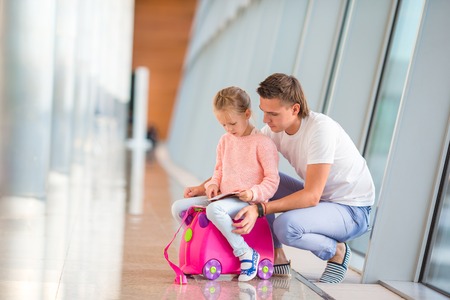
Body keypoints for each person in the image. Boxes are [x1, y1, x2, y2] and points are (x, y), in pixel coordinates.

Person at [183, 73, 375, 283]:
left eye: (272, 114)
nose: (265, 119)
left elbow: (311, 196)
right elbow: (240, 167)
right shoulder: (274, 130)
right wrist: (203, 187)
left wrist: (260, 209)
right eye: (264, 112)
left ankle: (336, 251)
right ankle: (277, 255)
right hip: (322, 199)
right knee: (257, 180)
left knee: (285, 227)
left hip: (351, 209)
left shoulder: (321, 130)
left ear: (294, 109)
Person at [171, 86, 280, 282]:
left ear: (247, 113)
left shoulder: (262, 144)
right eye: (223, 125)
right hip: (224, 198)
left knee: (214, 211)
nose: (229, 129)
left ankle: (245, 252)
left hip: (245, 201)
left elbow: (272, 181)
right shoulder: (225, 141)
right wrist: (212, 184)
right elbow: (219, 171)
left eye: (232, 123)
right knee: (178, 208)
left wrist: (252, 193)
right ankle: (203, 243)